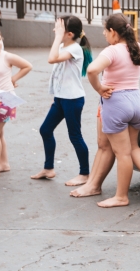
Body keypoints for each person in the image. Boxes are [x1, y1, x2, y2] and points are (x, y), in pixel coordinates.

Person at [86, 13, 140, 208]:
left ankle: (121, 196)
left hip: (116, 102)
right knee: (133, 148)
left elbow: (91, 70)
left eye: (106, 31)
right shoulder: (139, 48)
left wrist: (98, 88)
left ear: (113, 32)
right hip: (135, 101)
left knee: (122, 154)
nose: (105, 34)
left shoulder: (111, 51)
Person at [31, 16, 93, 186]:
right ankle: (49, 168)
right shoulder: (63, 45)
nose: (55, 31)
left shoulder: (75, 49)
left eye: (59, 29)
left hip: (73, 100)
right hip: (60, 98)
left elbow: (51, 59)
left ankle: (85, 173)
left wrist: (58, 37)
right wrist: (59, 38)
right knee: (45, 130)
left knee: (75, 135)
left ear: (69, 34)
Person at [0, 27, 32, 177]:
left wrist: (13, 79)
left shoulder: (6, 56)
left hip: (5, 100)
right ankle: (4, 164)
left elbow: (27, 66)